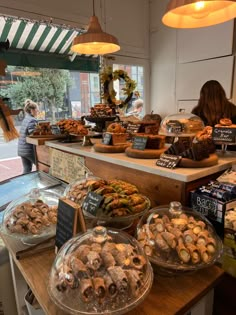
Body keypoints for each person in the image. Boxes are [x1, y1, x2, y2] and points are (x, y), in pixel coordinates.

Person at [18, 99, 39, 174]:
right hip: (28, 150)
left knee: (26, 170)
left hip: (22, 149)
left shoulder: (26, 119)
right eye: (37, 109)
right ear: (32, 110)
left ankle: (23, 184)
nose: (38, 111)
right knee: (42, 167)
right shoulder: (32, 120)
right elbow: (32, 133)